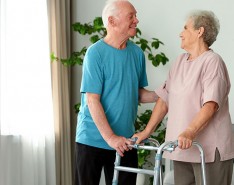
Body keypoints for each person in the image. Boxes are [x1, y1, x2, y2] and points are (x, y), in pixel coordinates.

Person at [133, 10, 234, 185]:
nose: (180, 33)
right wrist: (146, 131)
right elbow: (164, 100)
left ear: (199, 31)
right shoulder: (179, 61)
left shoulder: (213, 62)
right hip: (182, 148)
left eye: (185, 28)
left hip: (208, 151)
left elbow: (210, 105)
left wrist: (189, 132)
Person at [74, 0, 157, 185]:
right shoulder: (95, 53)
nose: (137, 20)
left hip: (125, 142)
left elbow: (137, 94)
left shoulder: (137, 54)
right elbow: (92, 100)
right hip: (92, 139)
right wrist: (111, 138)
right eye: (131, 16)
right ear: (112, 21)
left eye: (135, 15)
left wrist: (162, 94)